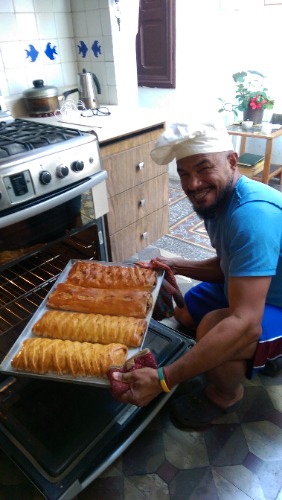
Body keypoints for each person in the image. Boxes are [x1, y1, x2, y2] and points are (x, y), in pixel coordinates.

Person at [110, 120, 282, 429]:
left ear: (232, 162)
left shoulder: (252, 216)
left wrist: (164, 379)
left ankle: (224, 394)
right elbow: (227, 264)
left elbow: (246, 323)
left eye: (203, 169)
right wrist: (174, 266)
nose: (192, 185)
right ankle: (241, 355)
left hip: (276, 301)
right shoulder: (221, 199)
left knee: (215, 326)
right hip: (256, 286)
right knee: (186, 313)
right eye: (184, 174)